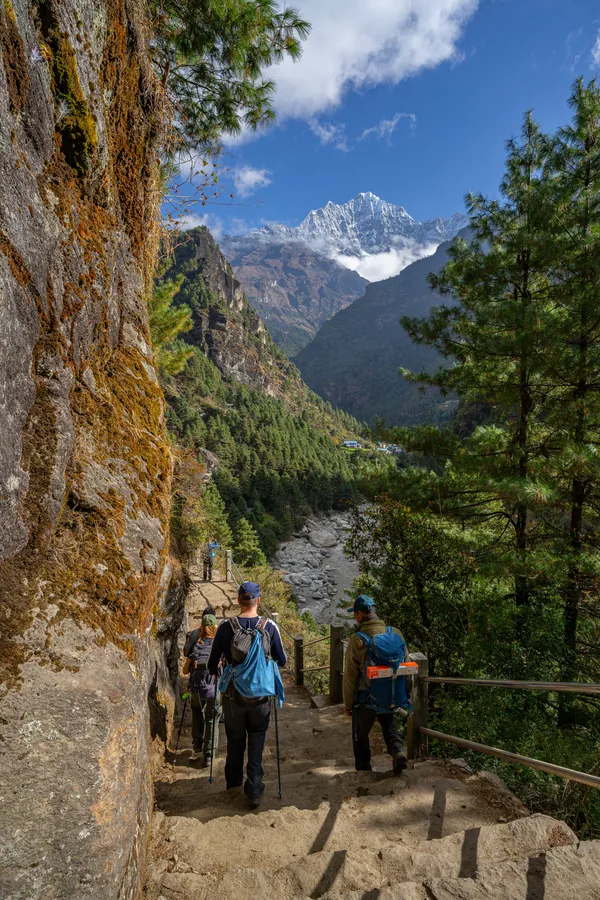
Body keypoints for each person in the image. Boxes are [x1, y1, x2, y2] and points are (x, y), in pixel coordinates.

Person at [208, 581, 286, 808]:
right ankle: (254, 789)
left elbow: (212, 665)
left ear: (238, 600)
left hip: (233, 697)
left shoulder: (226, 627)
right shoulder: (269, 626)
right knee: (257, 738)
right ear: (258, 601)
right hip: (261, 696)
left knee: (235, 740)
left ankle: (233, 785)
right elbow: (282, 660)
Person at [343, 594, 408, 775]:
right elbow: (405, 664)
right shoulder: (395, 633)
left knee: (360, 736)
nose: (355, 618)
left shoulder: (357, 640)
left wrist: (348, 704)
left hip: (366, 698)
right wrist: (403, 693)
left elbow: (350, 676)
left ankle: (364, 772)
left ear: (360, 614)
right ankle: (397, 751)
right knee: (388, 724)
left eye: (355, 614)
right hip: (390, 693)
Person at [183, 613, 220, 766]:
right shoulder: (219, 647)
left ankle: (197, 743)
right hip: (214, 687)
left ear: (202, 628)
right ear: (215, 627)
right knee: (212, 719)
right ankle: (209, 753)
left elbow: (185, 671)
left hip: (197, 688)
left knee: (197, 712)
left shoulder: (196, 645)